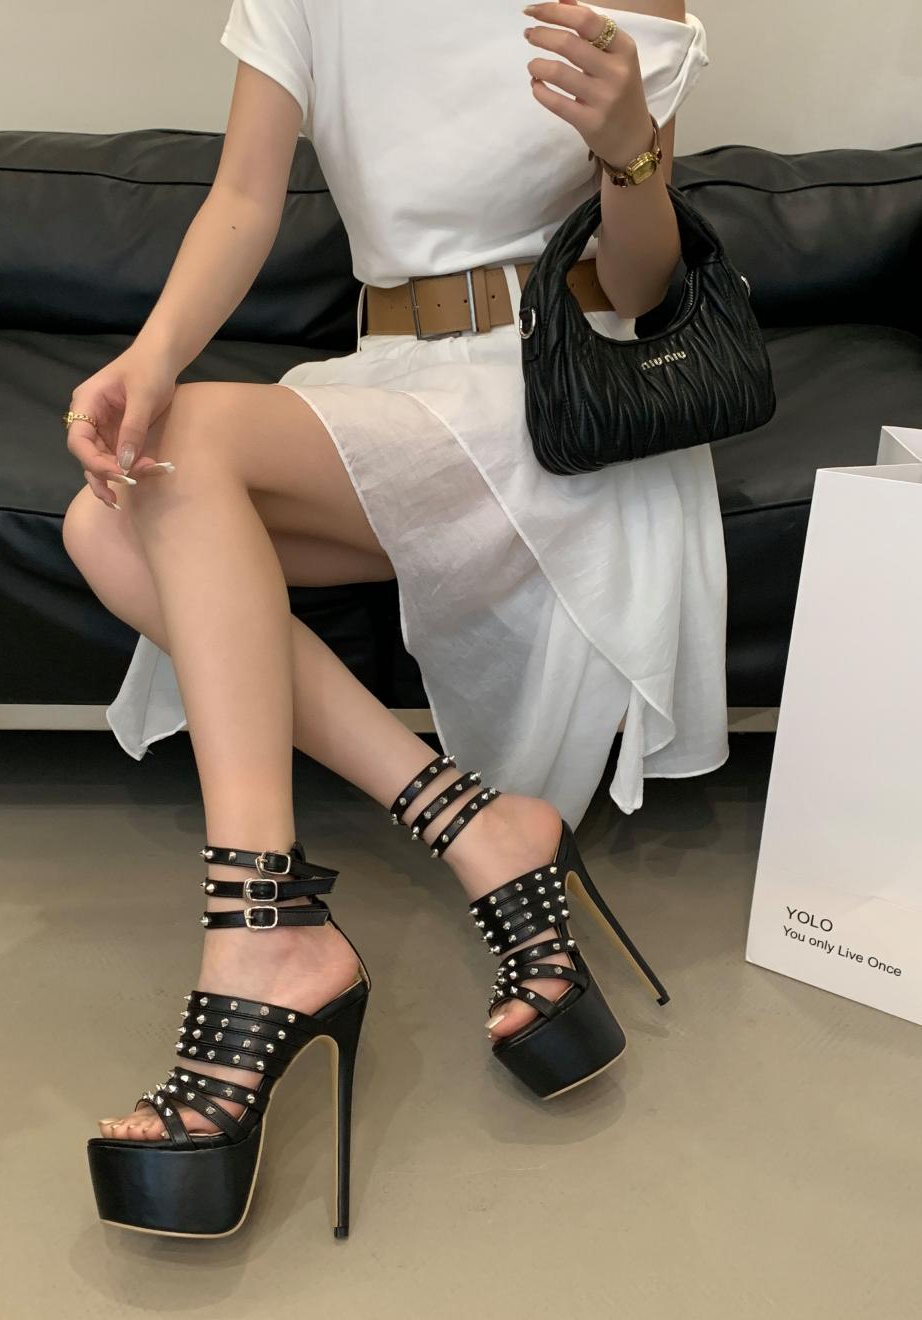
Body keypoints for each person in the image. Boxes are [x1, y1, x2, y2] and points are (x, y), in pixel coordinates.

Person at [65, 1, 727, 1239]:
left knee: (175, 460)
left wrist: (631, 146)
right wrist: (148, 359)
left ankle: (261, 928)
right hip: (381, 383)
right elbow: (243, 202)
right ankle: (474, 823)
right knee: (105, 521)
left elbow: (642, 285)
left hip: (551, 388)